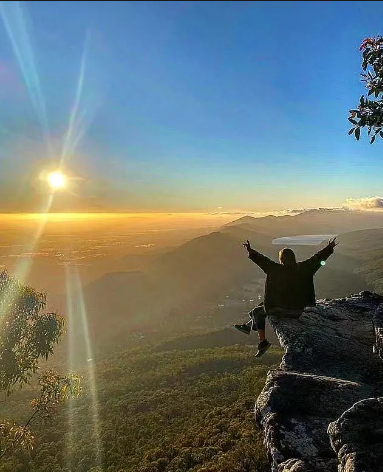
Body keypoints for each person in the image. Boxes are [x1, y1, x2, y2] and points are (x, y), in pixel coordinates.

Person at [235, 237, 338, 357]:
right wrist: (329, 248)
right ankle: (247, 326)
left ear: (281, 259)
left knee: (258, 312)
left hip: (282, 310)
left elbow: (262, 260)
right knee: (261, 305)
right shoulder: (304, 268)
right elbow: (317, 258)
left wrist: (250, 250)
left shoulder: (275, 269)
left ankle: (263, 342)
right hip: (297, 310)